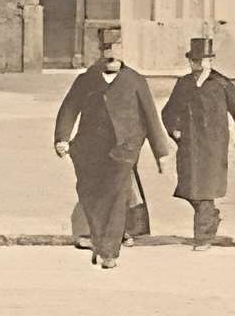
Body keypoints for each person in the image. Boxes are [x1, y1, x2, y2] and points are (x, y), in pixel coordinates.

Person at [52, 25, 168, 269]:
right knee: (90, 195)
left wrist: (161, 152)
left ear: (124, 51)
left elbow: (150, 116)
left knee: (116, 200)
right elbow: (69, 108)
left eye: (116, 48)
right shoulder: (87, 79)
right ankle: (98, 241)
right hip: (89, 150)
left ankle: (108, 252)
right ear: (99, 51)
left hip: (123, 151)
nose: (111, 54)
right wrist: (62, 138)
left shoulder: (135, 80)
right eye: (106, 48)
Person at [166, 36, 235, 249]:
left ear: (210, 62)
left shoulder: (222, 84)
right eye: (193, 61)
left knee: (205, 192)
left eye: (202, 60)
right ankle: (211, 218)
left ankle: (203, 238)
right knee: (190, 191)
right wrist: (174, 130)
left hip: (213, 148)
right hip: (189, 147)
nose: (197, 65)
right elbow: (168, 111)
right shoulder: (183, 84)